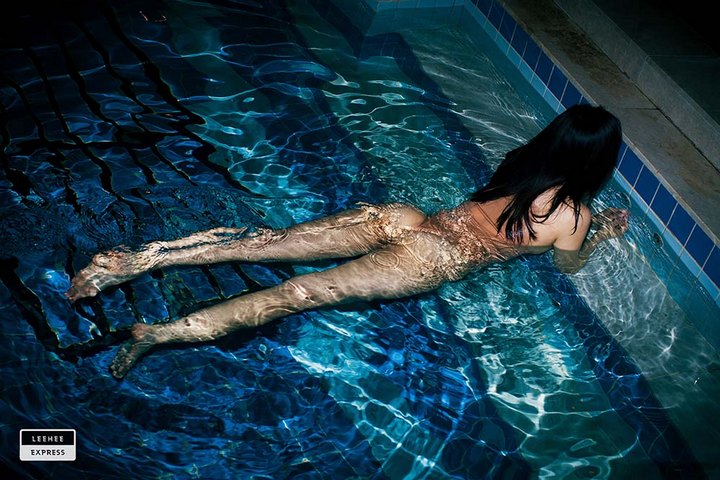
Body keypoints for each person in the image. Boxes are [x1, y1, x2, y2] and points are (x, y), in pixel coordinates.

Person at [66, 104, 629, 379]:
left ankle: (133, 261)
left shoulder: (521, 162)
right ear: (596, 163)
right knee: (295, 294)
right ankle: (158, 335)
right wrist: (600, 230)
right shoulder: (571, 214)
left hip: (407, 219)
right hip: (434, 259)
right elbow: (570, 267)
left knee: (260, 243)